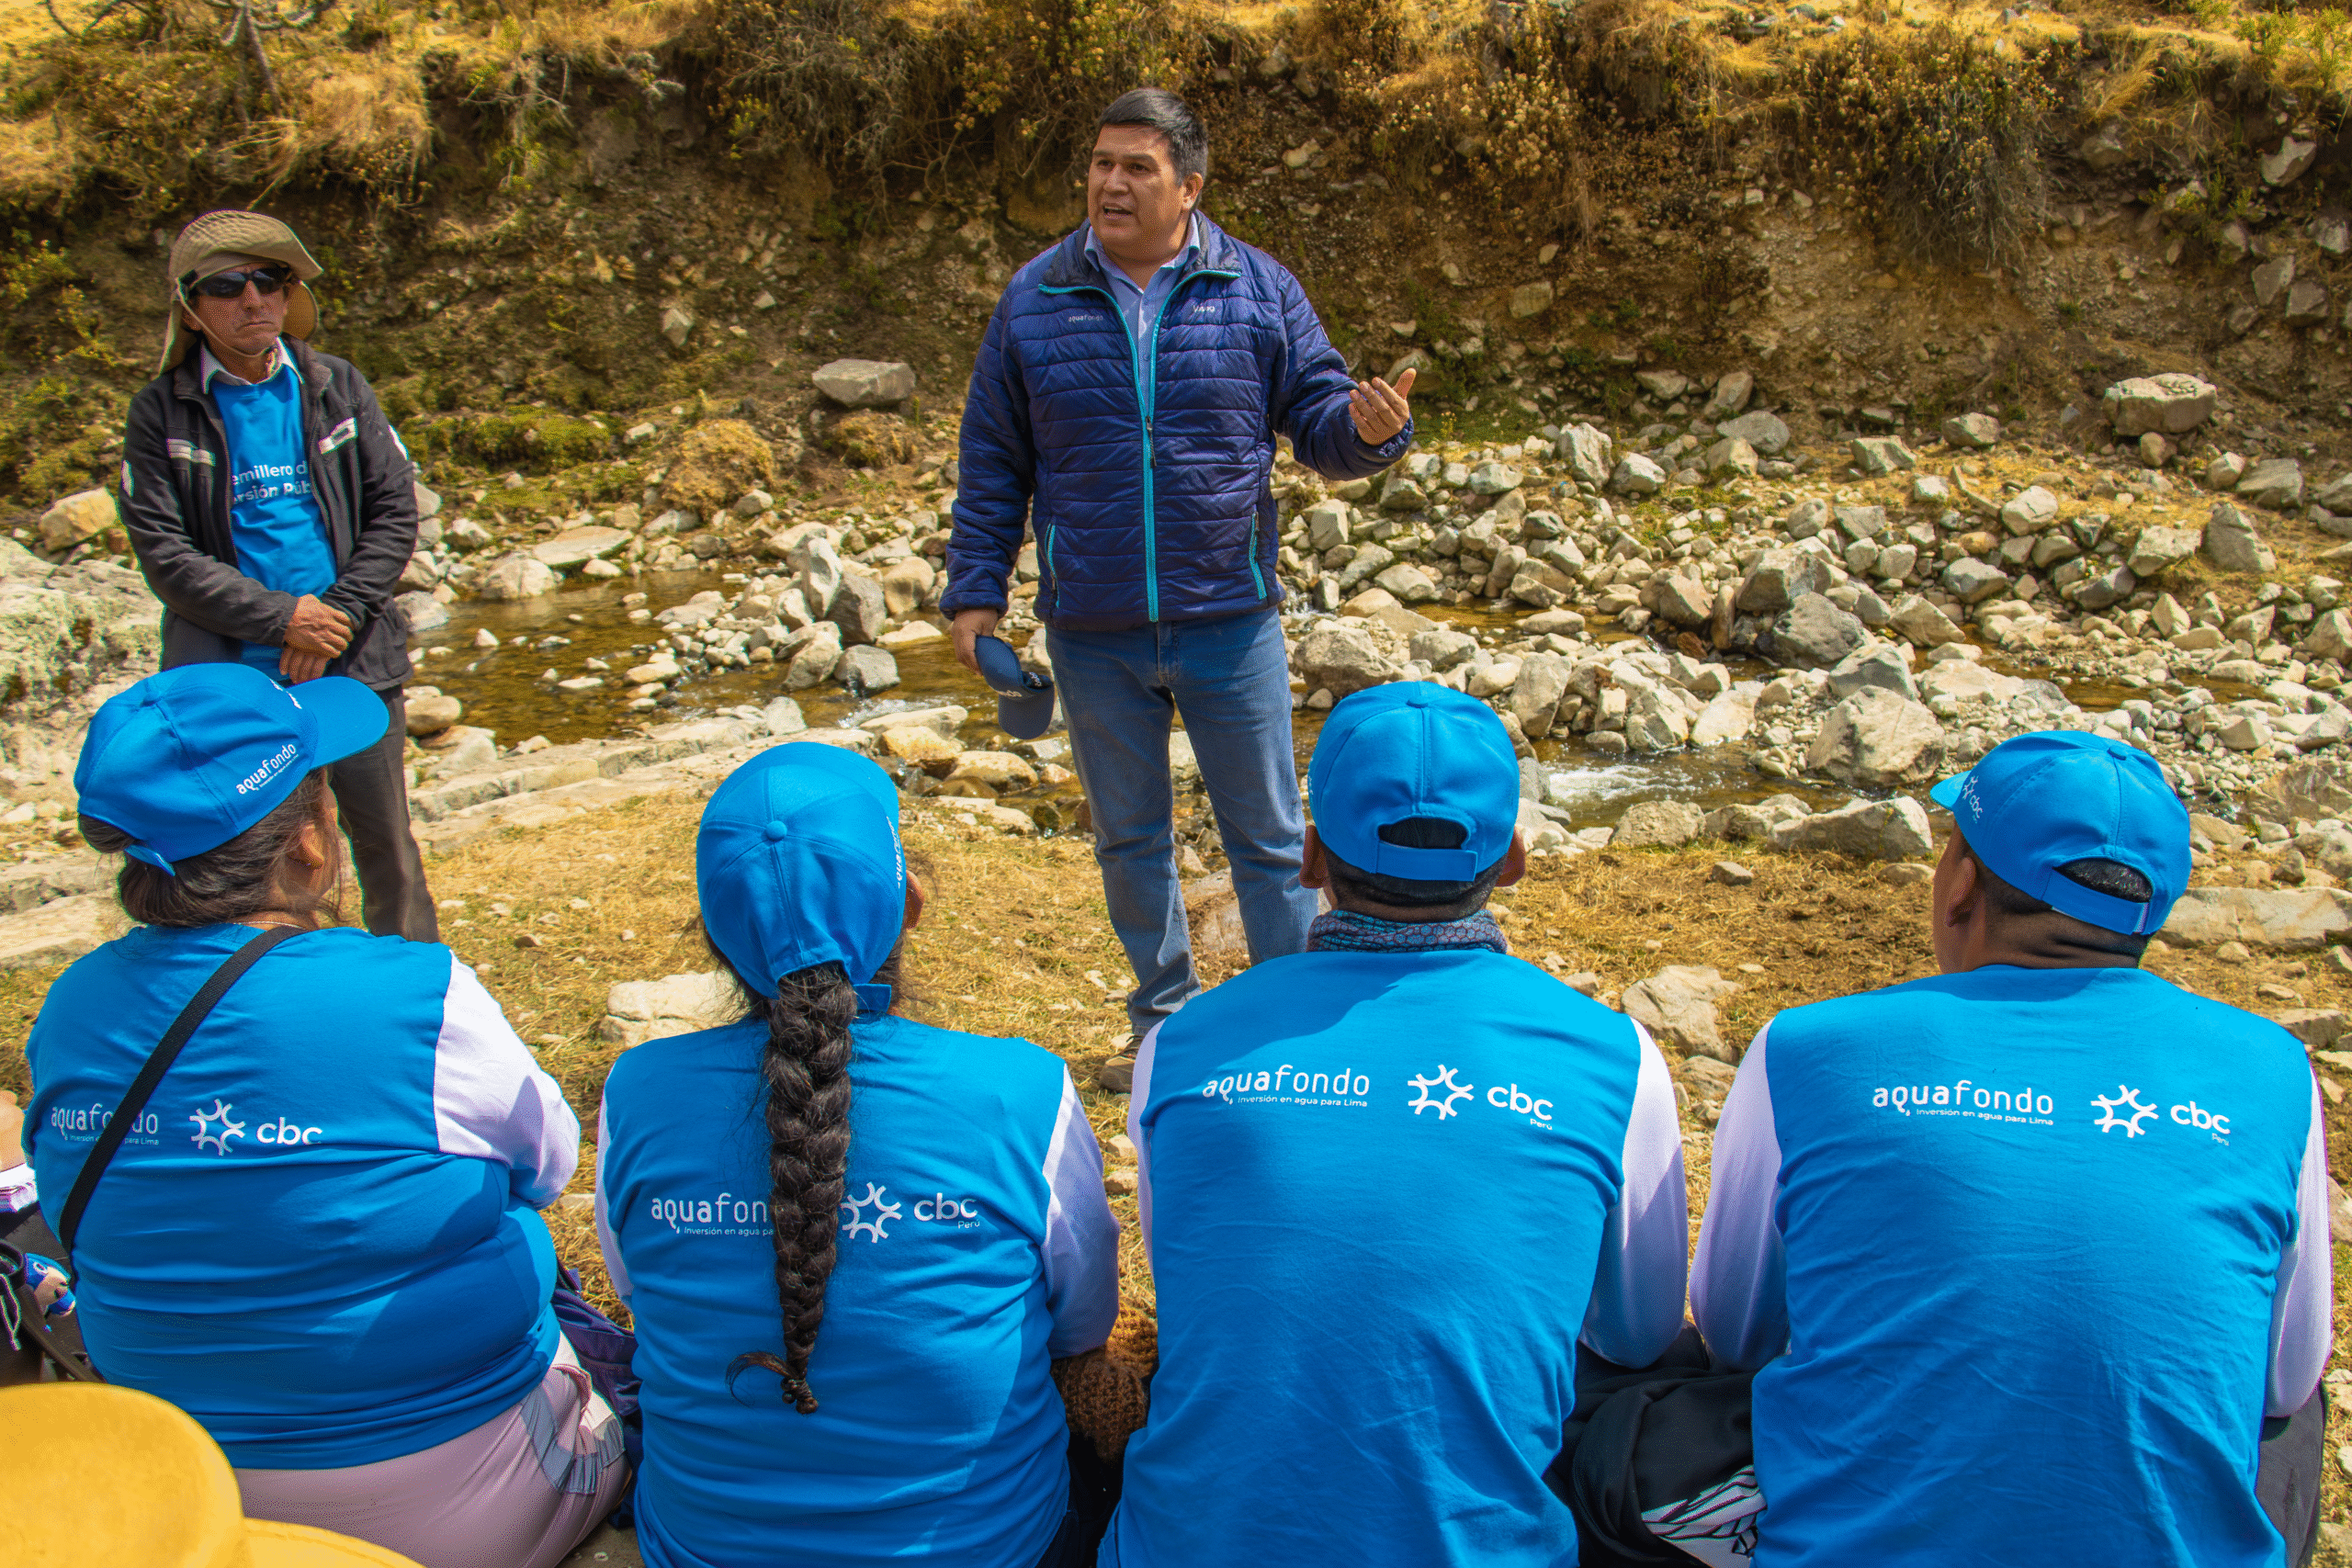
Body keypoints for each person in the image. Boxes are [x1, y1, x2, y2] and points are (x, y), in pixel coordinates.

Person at [23, 662, 623, 1568]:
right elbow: (546, 1164)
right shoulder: (415, 995)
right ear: (308, 841)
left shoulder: (71, 1007)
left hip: (183, 1489)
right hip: (459, 1501)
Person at [1691, 730, 2335, 1566]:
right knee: (2295, 1409)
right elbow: (2286, 1377)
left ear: (1960, 885)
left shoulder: (1806, 1047)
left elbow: (1732, 1330)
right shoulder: (2275, 1071)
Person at [1105, 683, 1690, 1566]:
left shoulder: (1180, 1045)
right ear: (1513, 860)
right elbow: (1638, 1334)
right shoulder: (1617, 1058)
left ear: (1310, 857)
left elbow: (1193, 1276)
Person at [944, 88, 1418, 1091]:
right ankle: (1163, 1023)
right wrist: (974, 593)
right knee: (1129, 840)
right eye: (1101, 164)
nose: (1111, 184)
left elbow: (1320, 420)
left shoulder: (1258, 288)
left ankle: (1289, 1031)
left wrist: (1369, 434)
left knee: (1271, 839)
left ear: (1189, 187)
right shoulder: (1034, 297)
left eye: (1138, 168)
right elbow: (992, 458)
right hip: (1091, 627)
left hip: (1229, 620)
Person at [594, 743, 1123, 1568]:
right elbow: (1082, 1326)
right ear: (910, 905)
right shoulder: (1020, 1093)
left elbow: (637, 1292)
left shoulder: (635, 1093)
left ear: (714, 939)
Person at [119, 209, 436, 942]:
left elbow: (395, 510)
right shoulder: (160, 413)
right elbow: (165, 554)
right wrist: (284, 620)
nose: (253, 298)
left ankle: (413, 982)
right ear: (191, 308)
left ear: (290, 293)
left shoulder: (336, 384)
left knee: (386, 845)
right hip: (232, 682)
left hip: (351, 662)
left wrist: (335, 617)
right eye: (227, 285)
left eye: (270, 280)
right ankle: (269, 987)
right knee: (249, 859)